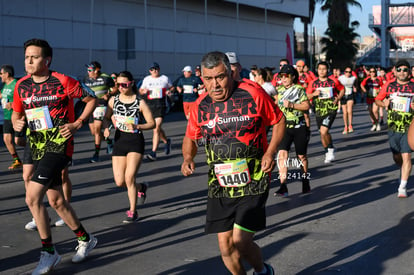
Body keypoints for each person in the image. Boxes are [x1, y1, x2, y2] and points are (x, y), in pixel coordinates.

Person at [181, 51, 285, 275]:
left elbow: (278, 120)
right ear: (201, 78)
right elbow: (190, 136)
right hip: (220, 183)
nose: (215, 84)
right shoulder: (200, 105)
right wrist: (188, 157)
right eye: (208, 79)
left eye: (220, 77)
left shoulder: (252, 93)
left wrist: (270, 152)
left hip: (254, 178)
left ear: (230, 72)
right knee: (225, 248)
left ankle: (262, 271)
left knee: (240, 241)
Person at [12, 38, 98, 274]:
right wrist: (17, 122)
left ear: (46, 60)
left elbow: (91, 99)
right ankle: (85, 239)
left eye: (35, 56)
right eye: (27, 56)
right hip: (35, 143)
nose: (29, 61)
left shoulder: (63, 81)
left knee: (32, 197)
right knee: (56, 201)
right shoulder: (21, 85)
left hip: (59, 143)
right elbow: (16, 114)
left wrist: (78, 123)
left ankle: (49, 253)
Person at [103, 71, 155, 223]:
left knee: (129, 177)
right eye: (118, 84)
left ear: (131, 83)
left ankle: (133, 211)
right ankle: (141, 187)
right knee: (120, 181)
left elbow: (152, 123)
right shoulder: (114, 100)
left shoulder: (140, 102)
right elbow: (106, 117)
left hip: (135, 141)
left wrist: (137, 125)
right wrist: (106, 128)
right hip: (120, 140)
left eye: (124, 84)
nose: (121, 87)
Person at [375, 59, 414, 198]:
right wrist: (383, 102)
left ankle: (402, 186)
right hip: (393, 127)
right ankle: (402, 169)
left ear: (409, 72)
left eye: (405, 69)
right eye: (399, 69)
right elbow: (378, 100)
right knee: (397, 157)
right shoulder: (389, 86)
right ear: (395, 72)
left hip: (409, 127)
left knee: (407, 155)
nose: (402, 72)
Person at [273, 65, 311, 197]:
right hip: (284, 127)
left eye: (286, 76)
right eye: (281, 76)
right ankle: (283, 186)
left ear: (293, 77)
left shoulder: (299, 89)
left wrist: (292, 105)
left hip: (298, 126)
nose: (283, 78)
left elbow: (307, 106)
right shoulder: (279, 90)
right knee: (282, 155)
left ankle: (305, 180)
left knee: (301, 157)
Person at [306, 61, 344, 164]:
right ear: (317, 70)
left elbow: (342, 89)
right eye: (320, 69)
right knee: (322, 133)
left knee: (324, 131)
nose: (322, 71)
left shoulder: (333, 81)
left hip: (331, 109)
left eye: (324, 69)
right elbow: (306, 96)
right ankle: (328, 150)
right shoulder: (313, 83)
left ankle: (330, 149)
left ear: (327, 70)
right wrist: (314, 94)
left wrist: (338, 98)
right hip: (318, 110)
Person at [139, 62, 173, 161]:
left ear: (159, 69)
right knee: (157, 128)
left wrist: (169, 91)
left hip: (161, 105)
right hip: (150, 106)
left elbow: (171, 87)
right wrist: (143, 92)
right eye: (152, 69)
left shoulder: (164, 78)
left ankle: (153, 152)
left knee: (156, 128)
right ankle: (166, 141)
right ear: (150, 71)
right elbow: (140, 90)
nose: (155, 71)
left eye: (156, 68)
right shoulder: (147, 79)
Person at [84, 61, 115, 163]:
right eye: (87, 70)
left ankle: (96, 154)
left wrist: (108, 93)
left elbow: (115, 87)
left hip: (101, 104)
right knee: (94, 132)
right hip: (91, 105)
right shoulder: (86, 79)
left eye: (90, 70)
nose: (88, 72)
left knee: (97, 129)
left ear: (97, 70)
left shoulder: (105, 77)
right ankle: (109, 141)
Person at [0, 64, 24, 170]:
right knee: (6, 139)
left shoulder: (16, 84)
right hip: (7, 116)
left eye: (1, 73)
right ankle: (17, 160)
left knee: (18, 141)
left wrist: (13, 104)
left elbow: (23, 99)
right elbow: (2, 95)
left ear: (7, 73)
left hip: (17, 116)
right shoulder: (5, 85)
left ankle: (35, 147)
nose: (0, 76)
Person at [361, 67, 384, 132]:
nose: (372, 73)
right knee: (370, 111)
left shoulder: (379, 79)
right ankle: (374, 123)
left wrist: (379, 90)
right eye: (371, 72)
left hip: (376, 98)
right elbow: (361, 85)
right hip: (369, 97)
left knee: (375, 110)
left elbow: (383, 87)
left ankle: (378, 123)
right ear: (369, 72)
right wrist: (364, 90)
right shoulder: (367, 79)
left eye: (373, 71)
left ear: (375, 72)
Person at [338, 66, 357, 134]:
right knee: (345, 112)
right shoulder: (341, 78)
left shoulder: (353, 78)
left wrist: (355, 87)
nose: (348, 73)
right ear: (344, 72)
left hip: (350, 95)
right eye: (346, 72)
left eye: (349, 72)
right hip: (343, 96)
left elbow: (356, 84)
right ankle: (346, 126)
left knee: (349, 110)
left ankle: (350, 125)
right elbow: (337, 85)